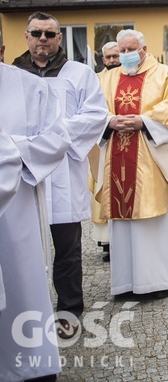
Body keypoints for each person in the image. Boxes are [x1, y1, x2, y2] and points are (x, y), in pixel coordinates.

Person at [12, 11, 108, 339]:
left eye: (49, 34)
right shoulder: (11, 75)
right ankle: (28, 313)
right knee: (25, 249)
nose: (42, 39)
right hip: (23, 175)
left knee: (67, 250)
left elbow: (96, 115)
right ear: (26, 36)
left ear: (59, 38)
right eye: (36, 33)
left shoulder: (79, 74)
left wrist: (52, 138)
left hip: (64, 172)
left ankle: (69, 312)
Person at [92, 29, 168, 296]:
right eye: (121, 51)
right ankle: (127, 282)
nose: (125, 55)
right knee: (125, 223)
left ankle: (165, 280)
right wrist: (110, 121)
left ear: (144, 49)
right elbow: (93, 110)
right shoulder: (106, 80)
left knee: (158, 222)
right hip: (117, 158)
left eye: (130, 50)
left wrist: (144, 121)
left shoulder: (166, 76)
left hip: (154, 160)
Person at [0, 63, 70, 381]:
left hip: (15, 212)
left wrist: (11, 155)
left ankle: (29, 368)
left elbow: (57, 138)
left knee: (21, 293)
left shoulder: (30, 88)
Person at [91, 41, 122, 262]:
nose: (112, 60)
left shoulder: (129, 78)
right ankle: (108, 242)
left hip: (125, 140)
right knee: (104, 188)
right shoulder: (96, 81)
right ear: (102, 60)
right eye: (108, 57)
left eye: (115, 56)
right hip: (103, 142)